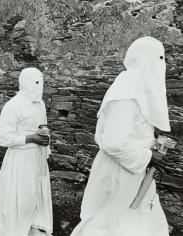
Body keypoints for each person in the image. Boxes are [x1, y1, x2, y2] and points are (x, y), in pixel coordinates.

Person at [71, 36, 171, 236]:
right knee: (110, 226)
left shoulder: (137, 89)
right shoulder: (127, 93)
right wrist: (149, 156)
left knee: (140, 224)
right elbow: (113, 142)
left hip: (135, 170)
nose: (162, 65)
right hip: (119, 173)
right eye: (159, 59)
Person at [0, 68, 53, 236]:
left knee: (36, 193)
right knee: (23, 196)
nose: (39, 87)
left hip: (37, 157)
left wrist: (46, 142)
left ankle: (33, 224)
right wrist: (30, 138)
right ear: (25, 83)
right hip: (21, 159)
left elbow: (43, 127)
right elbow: (2, 138)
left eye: (41, 82)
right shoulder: (13, 106)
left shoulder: (40, 104)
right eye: (35, 83)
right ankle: (17, 229)